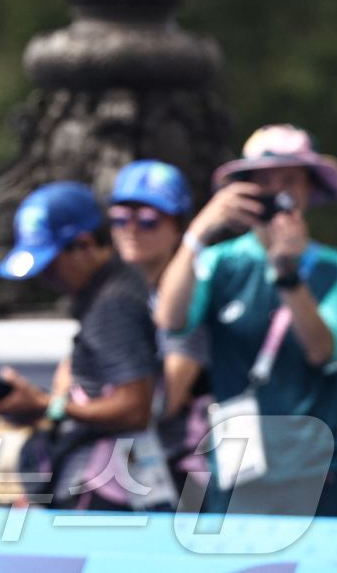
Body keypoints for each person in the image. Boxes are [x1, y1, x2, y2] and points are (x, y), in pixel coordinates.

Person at [155, 124, 337, 517]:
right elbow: (170, 318)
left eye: (288, 181)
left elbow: (323, 350)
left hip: (319, 471)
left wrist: (288, 274)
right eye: (262, 182)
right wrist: (198, 232)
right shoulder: (220, 262)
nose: (276, 193)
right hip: (240, 467)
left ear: (309, 190)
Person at [0, 182, 170, 512]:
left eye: (52, 264)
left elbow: (134, 409)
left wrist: (49, 407)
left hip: (107, 492)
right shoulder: (110, 290)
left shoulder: (112, 304)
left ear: (85, 245)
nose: (46, 278)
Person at [107, 160, 211, 506]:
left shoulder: (191, 293)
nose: (131, 228)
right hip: (134, 466)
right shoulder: (121, 294)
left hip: (187, 470)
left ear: (179, 227)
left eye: (149, 219)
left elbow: (162, 401)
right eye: (121, 216)